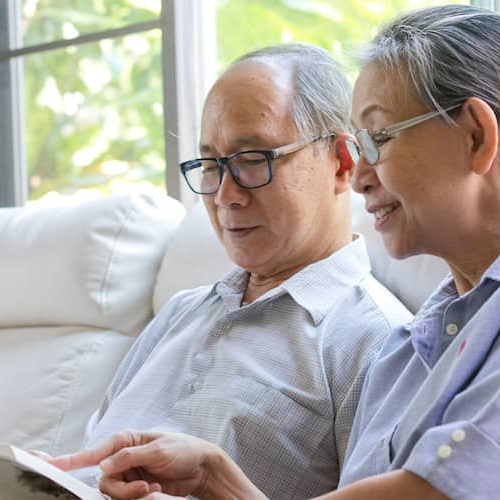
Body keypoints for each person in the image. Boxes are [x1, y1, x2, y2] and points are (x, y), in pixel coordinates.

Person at [51, 4, 500, 499]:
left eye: (252, 159)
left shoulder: (373, 338)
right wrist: (218, 479)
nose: (224, 194)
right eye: (209, 164)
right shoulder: (413, 348)